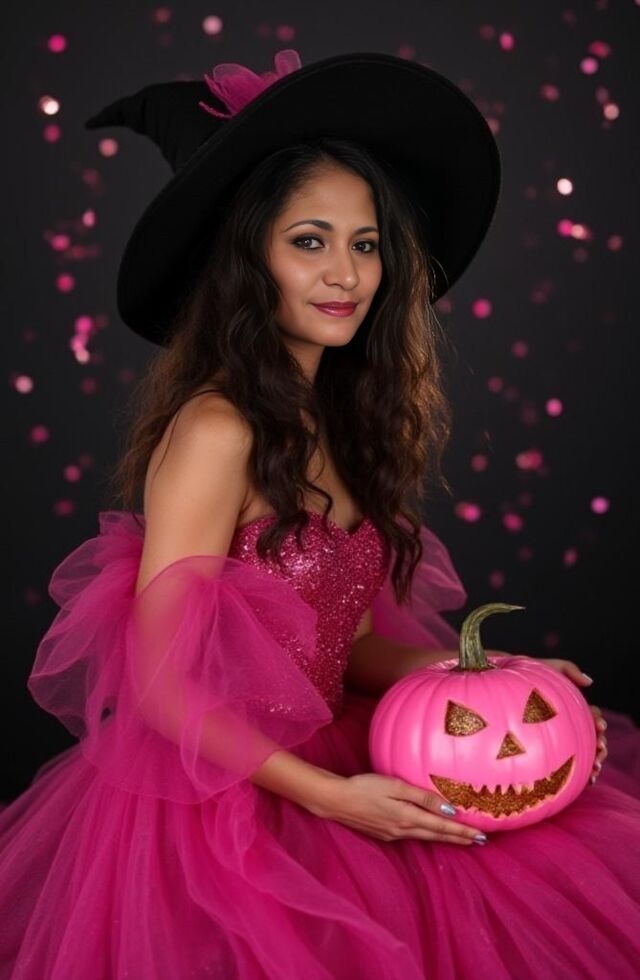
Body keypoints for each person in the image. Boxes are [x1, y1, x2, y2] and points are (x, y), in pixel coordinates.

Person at [1, 48, 639, 980]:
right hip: (227, 791)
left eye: (365, 244)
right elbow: (161, 686)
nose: (346, 274)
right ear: (246, 258)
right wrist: (334, 799)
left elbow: (345, 646)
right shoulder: (218, 429)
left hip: (342, 754)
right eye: (309, 241)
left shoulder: (344, 421)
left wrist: (483, 673)